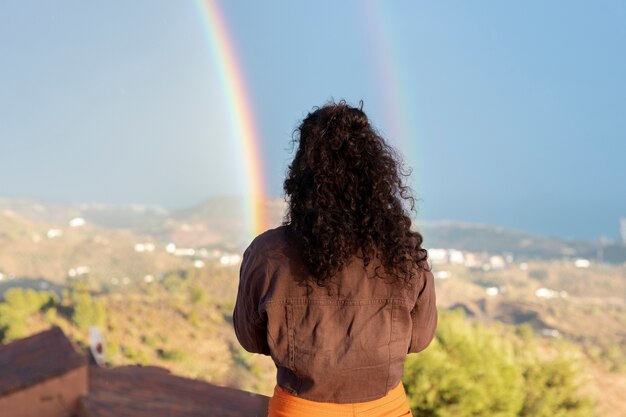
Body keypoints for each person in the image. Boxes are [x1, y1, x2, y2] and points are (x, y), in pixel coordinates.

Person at [233, 101, 437, 417]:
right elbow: (420, 339)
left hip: (300, 410)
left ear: (302, 174)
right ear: (376, 172)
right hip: (386, 410)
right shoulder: (404, 254)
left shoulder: (268, 253)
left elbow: (251, 339)